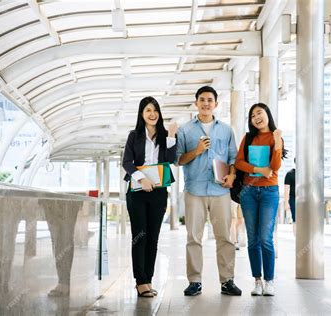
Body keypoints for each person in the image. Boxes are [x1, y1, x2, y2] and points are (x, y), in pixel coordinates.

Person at [176, 86, 242, 296]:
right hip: (194, 190)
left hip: (220, 190)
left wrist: (232, 176)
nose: (206, 103)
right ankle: (194, 281)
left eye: (210, 100)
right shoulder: (185, 130)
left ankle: (227, 281)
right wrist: (196, 151)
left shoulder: (226, 130)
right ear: (196, 103)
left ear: (215, 104)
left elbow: (233, 158)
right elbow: (178, 160)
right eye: (202, 100)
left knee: (224, 237)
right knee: (194, 238)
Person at [122, 96, 177, 298]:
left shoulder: (165, 135)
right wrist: (141, 178)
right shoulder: (133, 136)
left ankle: (148, 279)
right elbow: (127, 162)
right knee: (140, 236)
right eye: (148, 110)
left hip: (159, 191)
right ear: (142, 114)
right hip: (137, 191)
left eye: (155, 110)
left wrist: (171, 136)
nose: (152, 114)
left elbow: (171, 160)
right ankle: (140, 281)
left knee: (153, 237)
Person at [235, 103, 287, 296]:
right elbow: (239, 163)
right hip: (249, 192)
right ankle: (257, 281)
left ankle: (269, 281)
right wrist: (258, 170)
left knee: (266, 238)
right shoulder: (248, 138)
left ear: (267, 115)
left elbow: (275, 166)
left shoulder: (275, 137)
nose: (256, 117)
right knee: (253, 239)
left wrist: (278, 143)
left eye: (259, 113)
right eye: (252, 115)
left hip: (269, 191)